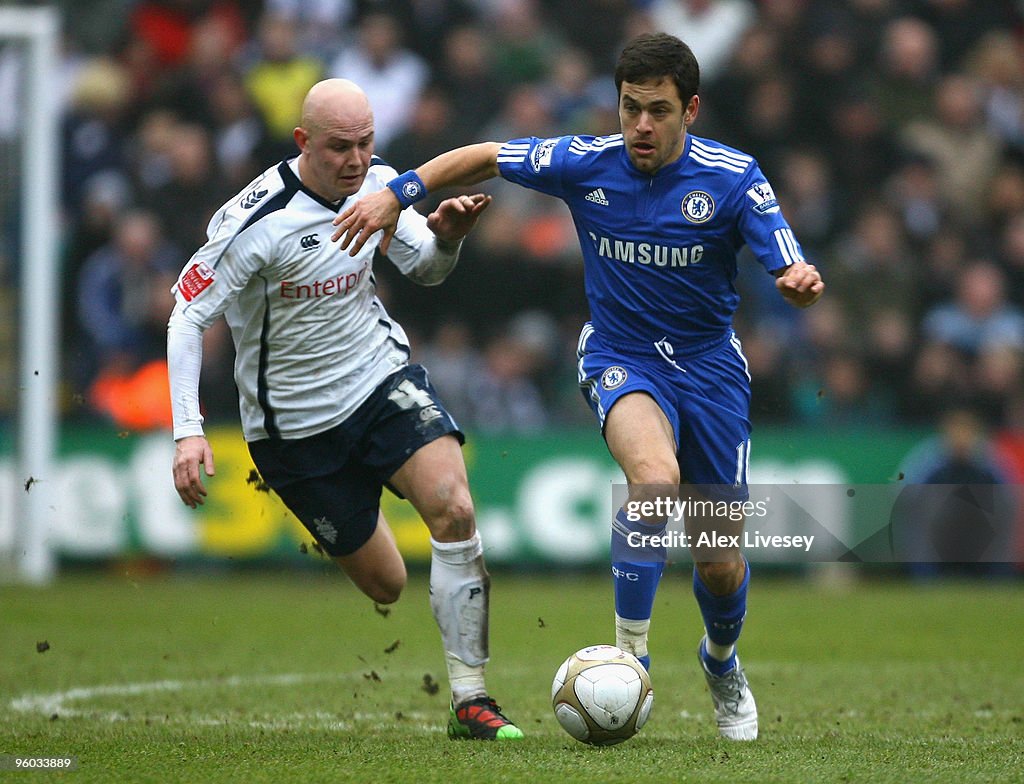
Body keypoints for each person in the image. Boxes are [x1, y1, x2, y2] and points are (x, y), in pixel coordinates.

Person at [333, 33, 825, 741]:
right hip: (621, 356)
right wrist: (395, 194)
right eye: (630, 109)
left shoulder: (734, 177)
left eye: (658, 111)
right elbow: (483, 156)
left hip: (711, 368)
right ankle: (630, 660)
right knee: (652, 479)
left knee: (719, 562)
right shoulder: (585, 161)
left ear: (691, 108)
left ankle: (721, 662)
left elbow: (790, 265)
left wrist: (798, 284)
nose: (641, 127)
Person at [167, 78, 522, 741]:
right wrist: (188, 431)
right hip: (294, 430)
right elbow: (187, 315)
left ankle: (471, 699)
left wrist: (447, 239)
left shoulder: (380, 186)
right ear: (304, 142)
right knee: (386, 584)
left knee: (454, 505)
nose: (356, 161)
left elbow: (427, 270)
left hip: (377, 378)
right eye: (339, 147)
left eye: (365, 144)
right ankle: (361, 498)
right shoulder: (254, 220)